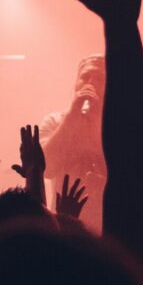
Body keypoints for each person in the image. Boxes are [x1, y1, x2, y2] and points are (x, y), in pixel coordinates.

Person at [38, 56, 107, 226]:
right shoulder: (54, 121)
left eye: (99, 78)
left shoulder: (127, 127)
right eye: (84, 77)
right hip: (65, 227)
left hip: (111, 228)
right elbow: (44, 168)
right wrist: (72, 116)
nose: (90, 83)